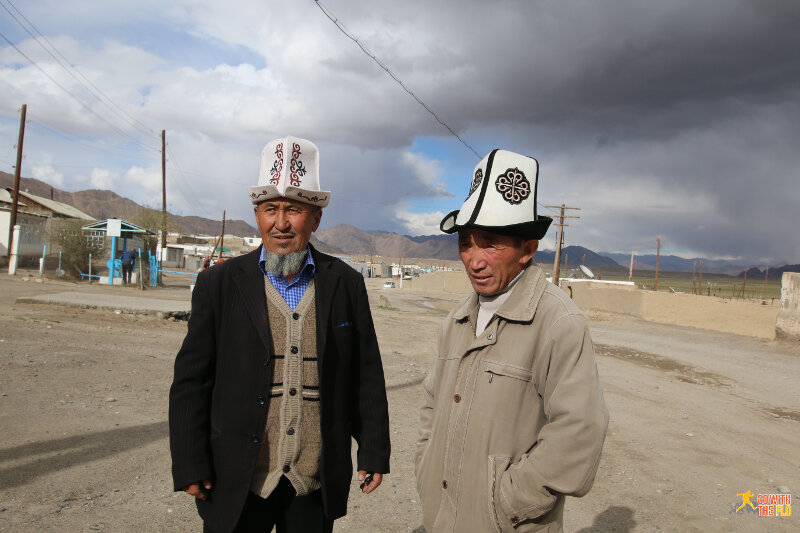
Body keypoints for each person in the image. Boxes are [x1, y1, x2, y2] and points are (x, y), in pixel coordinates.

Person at [169, 136, 391, 533]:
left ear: (316, 219)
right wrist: (190, 461)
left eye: (294, 209)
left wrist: (373, 449)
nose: (282, 222)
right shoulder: (218, 285)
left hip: (312, 479)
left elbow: (366, 376)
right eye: (271, 209)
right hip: (237, 477)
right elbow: (191, 381)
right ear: (257, 215)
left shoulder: (345, 284)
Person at [415, 149, 608, 532]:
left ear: (528, 250)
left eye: (490, 242)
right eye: (466, 242)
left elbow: (579, 430)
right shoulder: (457, 320)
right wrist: (426, 464)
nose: (474, 258)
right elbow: (431, 405)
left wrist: (509, 501)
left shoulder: (556, 322)